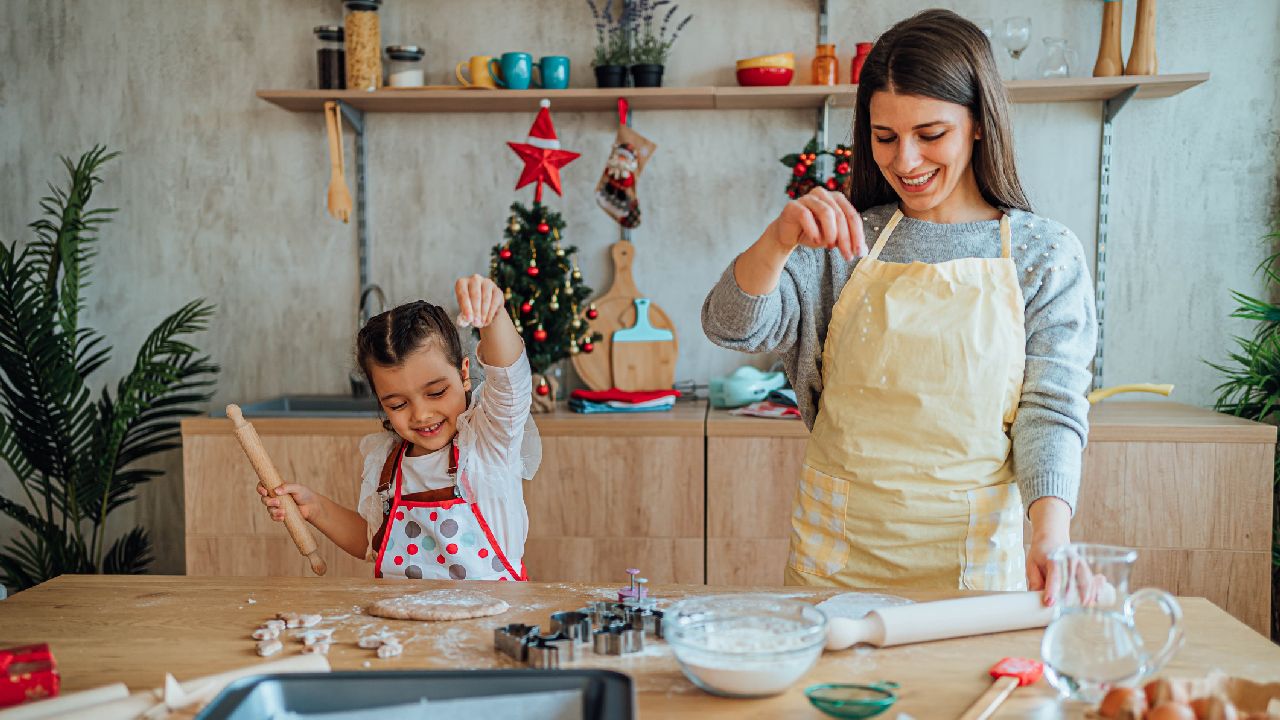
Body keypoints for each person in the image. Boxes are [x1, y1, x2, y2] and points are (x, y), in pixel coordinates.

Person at [702, 8, 1096, 593]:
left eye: (930, 134)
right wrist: (777, 240)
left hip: (972, 564)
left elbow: (1051, 409)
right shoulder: (843, 242)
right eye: (885, 137)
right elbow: (729, 326)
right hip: (837, 560)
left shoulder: (1044, 252)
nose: (905, 162)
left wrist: (1051, 534)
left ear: (980, 123)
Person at [259, 274, 534, 581]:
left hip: (487, 624)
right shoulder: (388, 465)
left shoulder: (488, 441)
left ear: (464, 373)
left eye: (436, 392)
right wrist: (316, 509)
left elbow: (512, 383)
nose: (421, 414)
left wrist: (492, 314)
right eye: (397, 404)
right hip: (405, 625)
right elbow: (373, 542)